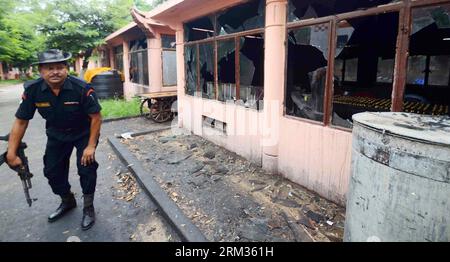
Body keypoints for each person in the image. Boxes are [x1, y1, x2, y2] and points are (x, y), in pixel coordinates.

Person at [6, 49, 102, 230]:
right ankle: (67, 200)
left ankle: (88, 208)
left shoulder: (82, 88)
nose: (55, 72)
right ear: (41, 71)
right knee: (52, 171)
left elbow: (96, 117)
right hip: (57, 134)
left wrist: (91, 146)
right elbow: (21, 121)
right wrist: (11, 153)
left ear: (66, 69)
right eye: (49, 68)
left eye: (59, 67)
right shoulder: (33, 90)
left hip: (83, 132)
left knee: (86, 168)